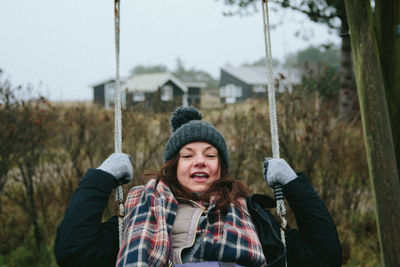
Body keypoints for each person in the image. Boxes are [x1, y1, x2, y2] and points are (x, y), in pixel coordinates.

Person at [54, 106, 342, 267]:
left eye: (210, 155)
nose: (200, 162)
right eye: (188, 156)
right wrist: (102, 177)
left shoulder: (251, 218)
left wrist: (293, 185)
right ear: (172, 167)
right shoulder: (139, 216)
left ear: (221, 168)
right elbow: (73, 251)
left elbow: (326, 256)